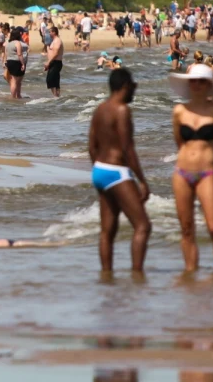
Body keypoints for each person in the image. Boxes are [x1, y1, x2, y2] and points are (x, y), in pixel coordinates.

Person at [88, 67, 151, 274]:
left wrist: (99, 169)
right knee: (142, 226)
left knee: (107, 231)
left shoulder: (100, 109)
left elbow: (91, 146)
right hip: (117, 171)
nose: (134, 90)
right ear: (125, 86)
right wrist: (142, 180)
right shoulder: (122, 110)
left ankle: (106, 276)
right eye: (133, 86)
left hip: (99, 170)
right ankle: (137, 275)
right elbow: (127, 148)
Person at [170, 63, 213, 272]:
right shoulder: (179, 111)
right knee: (187, 229)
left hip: (207, 173)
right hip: (182, 173)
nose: (196, 84)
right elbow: (180, 142)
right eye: (193, 81)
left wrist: (211, 159)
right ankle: (190, 275)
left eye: (201, 81)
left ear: (208, 85)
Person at [4, 27, 28, 99]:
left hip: (9, 62)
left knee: (14, 80)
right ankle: (14, 96)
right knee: (15, 81)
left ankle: (16, 95)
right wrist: (23, 63)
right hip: (16, 62)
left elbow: (6, 53)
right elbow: (20, 54)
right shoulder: (17, 43)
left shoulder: (8, 43)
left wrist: (5, 63)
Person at [44, 26, 64, 97]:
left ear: (54, 32)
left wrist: (48, 62)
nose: (49, 33)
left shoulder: (57, 41)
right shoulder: (53, 41)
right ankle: (57, 96)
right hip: (53, 63)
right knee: (55, 81)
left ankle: (56, 96)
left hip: (56, 63)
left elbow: (55, 54)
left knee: (50, 80)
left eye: (50, 32)